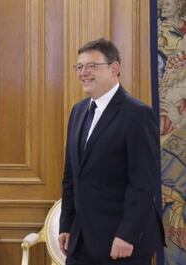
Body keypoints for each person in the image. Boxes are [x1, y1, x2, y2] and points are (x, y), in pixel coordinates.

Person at [58, 38, 165, 265]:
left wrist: (127, 234)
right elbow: (71, 176)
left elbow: (144, 182)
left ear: (114, 68)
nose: (83, 73)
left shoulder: (137, 114)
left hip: (123, 244)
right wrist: (66, 225)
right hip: (81, 241)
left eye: (91, 66)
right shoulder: (78, 112)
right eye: (79, 66)